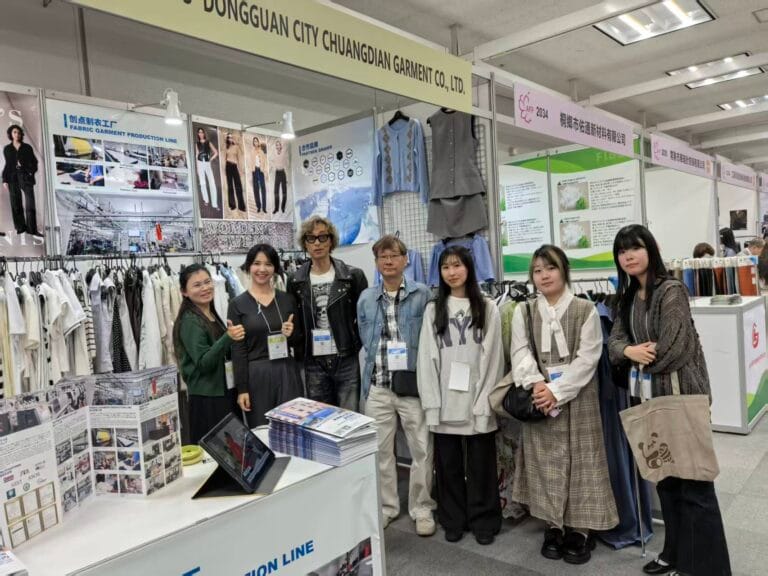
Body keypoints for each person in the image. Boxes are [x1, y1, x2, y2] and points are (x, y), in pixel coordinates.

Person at [608, 224, 731, 576]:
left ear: (651, 249)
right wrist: (630, 350)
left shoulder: (671, 290)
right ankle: (675, 553)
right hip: (650, 401)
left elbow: (674, 348)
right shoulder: (628, 295)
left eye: (635, 247)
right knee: (666, 481)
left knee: (694, 483)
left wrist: (635, 356)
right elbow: (614, 343)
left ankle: (705, 568)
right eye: (622, 251)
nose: (628, 255)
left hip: (681, 397)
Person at [510, 245, 618, 564]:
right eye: (537, 270)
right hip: (539, 396)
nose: (544, 275)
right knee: (545, 463)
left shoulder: (585, 309)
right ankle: (553, 524)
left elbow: (588, 358)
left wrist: (557, 390)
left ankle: (581, 529)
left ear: (564, 270)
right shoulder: (524, 311)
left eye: (550, 268)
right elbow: (519, 351)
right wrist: (538, 385)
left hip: (578, 396)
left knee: (583, 462)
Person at [417, 246, 503, 545]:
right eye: (445, 267)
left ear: (469, 268)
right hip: (444, 400)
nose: (452, 272)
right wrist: (432, 404)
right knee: (448, 465)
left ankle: (484, 520)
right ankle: (453, 518)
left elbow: (494, 359)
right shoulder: (433, 309)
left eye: (457, 265)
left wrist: (484, 400)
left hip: (477, 398)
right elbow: (427, 360)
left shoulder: (488, 308)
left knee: (481, 465)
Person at [357, 235, 436, 536]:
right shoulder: (365, 298)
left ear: (406, 260)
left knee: (421, 451)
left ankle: (422, 507)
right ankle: (388, 507)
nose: (388, 262)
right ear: (376, 263)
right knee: (380, 452)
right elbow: (365, 341)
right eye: (382, 257)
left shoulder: (422, 294)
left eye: (394, 256)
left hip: (413, 387)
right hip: (378, 386)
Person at [287, 216, 368, 411]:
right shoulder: (295, 281)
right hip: (313, 361)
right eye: (311, 238)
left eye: (323, 237)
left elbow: (365, 317)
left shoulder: (351, 276)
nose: (317, 243)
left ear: (331, 241)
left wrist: (353, 344)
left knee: (349, 418)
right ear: (304, 243)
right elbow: (294, 320)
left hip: (345, 358)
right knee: (321, 420)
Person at [228, 244, 303, 427]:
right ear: (249, 267)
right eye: (256, 263)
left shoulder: (287, 300)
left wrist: (291, 334)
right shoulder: (237, 304)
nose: (262, 269)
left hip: (286, 371)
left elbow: (299, 340)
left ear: (275, 268)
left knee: (292, 430)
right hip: (256, 376)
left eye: (268, 264)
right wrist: (242, 388)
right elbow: (238, 349)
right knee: (262, 432)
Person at [173, 264, 245, 444]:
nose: (205, 288)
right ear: (184, 292)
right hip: (207, 399)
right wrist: (227, 337)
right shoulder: (190, 320)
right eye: (197, 285)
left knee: (232, 452)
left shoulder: (209, 313)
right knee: (216, 454)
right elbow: (204, 363)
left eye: (207, 282)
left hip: (222, 392)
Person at [2, 124, 42, 236]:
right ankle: (20, 227)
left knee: (30, 204)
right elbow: (8, 165)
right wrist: (4, 179)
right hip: (12, 178)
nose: (17, 134)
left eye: (19, 133)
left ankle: (32, 229)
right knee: (16, 203)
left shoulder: (27, 147)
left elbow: (34, 163)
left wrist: (29, 171)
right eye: (14, 132)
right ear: (11, 134)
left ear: (21, 135)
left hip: (25, 176)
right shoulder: (7, 149)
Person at [195, 127, 219, 209]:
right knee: (202, 183)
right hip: (200, 162)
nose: (201, 134)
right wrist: (197, 168)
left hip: (207, 163)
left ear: (204, 133)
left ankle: (215, 204)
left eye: (202, 132)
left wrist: (210, 159)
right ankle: (206, 200)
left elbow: (216, 152)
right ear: (198, 134)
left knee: (212, 183)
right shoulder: (197, 144)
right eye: (199, 132)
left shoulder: (208, 142)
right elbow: (196, 155)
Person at [224, 131, 245, 212]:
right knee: (230, 186)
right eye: (229, 137)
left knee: (238, 185)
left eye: (231, 137)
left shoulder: (236, 147)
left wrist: (240, 169)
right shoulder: (226, 147)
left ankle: (241, 206)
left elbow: (240, 156)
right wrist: (224, 169)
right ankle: (232, 205)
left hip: (235, 166)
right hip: (228, 165)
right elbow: (224, 158)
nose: (230, 138)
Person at [251, 136, 268, 213]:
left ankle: (264, 208)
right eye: (254, 141)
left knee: (263, 189)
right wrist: (252, 170)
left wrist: (264, 170)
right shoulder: (252, 152)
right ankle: (258, 206)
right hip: (254, 171)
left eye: (256, 141)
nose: (255, 142)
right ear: (253, 143)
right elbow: (250, 162)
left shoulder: (261, 152)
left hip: (260, 171)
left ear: (258, 142)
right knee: (256, 189)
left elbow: (264, 162)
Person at [272, 139, 289, 214]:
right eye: (277, 145)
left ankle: (283, 207)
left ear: (281, 146)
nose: (278, 146)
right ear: (276, 147)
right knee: (276, 192)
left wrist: (287, 177)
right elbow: (273, 163)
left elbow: (287, 165)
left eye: (279, 145)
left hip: (283, 172)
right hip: (277, 172)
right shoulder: (274, 154)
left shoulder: (284, 154)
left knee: (284, 192)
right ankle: (276, 208)